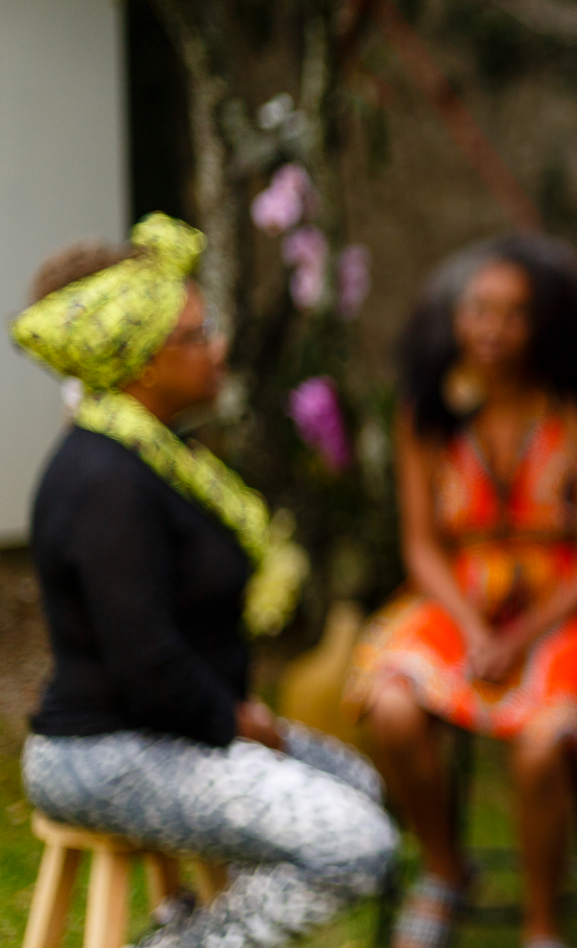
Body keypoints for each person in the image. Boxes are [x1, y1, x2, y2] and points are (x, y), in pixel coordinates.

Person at [14, 215, 396, 948]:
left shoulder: (159, 459)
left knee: (362, 790)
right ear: (143, 365)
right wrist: (232, 721)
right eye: (196, 335)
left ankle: (196, 923)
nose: (218, 348)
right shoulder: (107, 482)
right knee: (357, 844)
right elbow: (144, 664)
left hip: (169, 730)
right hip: (106, 755)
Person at [346, 233, 577, 948]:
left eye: (514, 313)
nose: (492, 329)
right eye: (478, 309)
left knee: (540, 745)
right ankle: (446, 871)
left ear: (544, 325)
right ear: (453, 315)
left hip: (563, 604)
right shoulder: (426, 413)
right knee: (391, 704)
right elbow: (420, 546)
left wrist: (519, 636)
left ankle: (543, 923)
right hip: (456, 596)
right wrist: (475, 628)